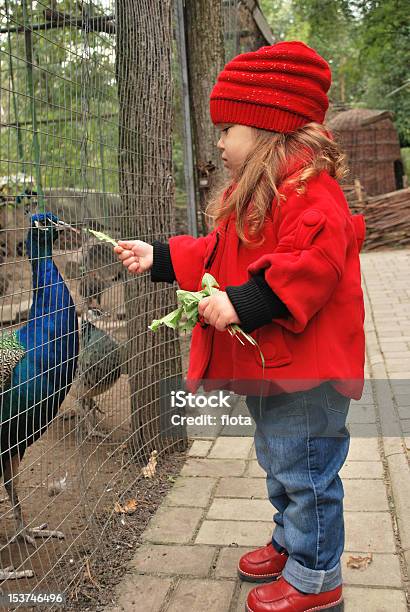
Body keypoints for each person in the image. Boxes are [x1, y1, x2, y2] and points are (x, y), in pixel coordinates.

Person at [114, 41, 366, 612]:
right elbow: (218, 250)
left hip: (310, 373)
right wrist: (161, 256)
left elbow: (314, 264)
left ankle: (317, 579)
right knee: (282, 461)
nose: (220, 142)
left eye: (228, 127)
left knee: (307, 474)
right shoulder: (260, 193)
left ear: (269, 128)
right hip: (277, 366)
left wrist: (244, 302)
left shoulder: (311, 194)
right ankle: (291, 542)